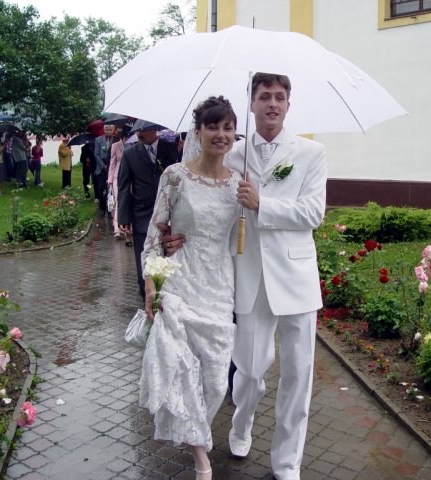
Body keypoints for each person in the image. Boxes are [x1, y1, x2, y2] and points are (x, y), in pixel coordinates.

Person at [163, 73, 327, 480]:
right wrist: (176, 236)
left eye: (280, 97)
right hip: (247, 276)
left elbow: (313, 213)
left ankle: (287, 462)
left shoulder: (311, 153)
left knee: (298, 376)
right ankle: (241, 423)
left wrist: (262, 204)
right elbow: (204, 202)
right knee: (250, 372)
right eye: (264, 96)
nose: (272, 104)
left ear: (288, 105)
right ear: (251, 104)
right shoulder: (232, 153)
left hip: (296, 279)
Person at [139, 96, 241, 480]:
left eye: (228, 127)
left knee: (215, 378)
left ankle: (195, 431)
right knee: (181, 367)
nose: (221, 134)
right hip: (180, 278)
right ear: (197, 132)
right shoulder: (175, 176)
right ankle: (202, 458)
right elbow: (155, 236)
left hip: (219, 286)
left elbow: (244, 241)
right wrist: (151, 287)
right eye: (213, 127)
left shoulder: (239, 184)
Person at [117, 121, 179, 299]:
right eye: (137, 130)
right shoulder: (129, 154)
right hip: (141, 214)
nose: (139, 134)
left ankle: (165, 295)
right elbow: (123, 186)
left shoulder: (170, 149)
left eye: (143, 130)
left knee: (166, 259)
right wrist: (123, 218)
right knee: (145, 262)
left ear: (154, 130)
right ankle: (146, 296)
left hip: (168, 214)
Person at [107, 127, 130, 242]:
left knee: (126, 200)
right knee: (118, 200)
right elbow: (112, 162)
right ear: (122, 137)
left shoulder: (132, 145)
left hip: (129, 177)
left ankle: (126, 227)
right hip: (117, 176)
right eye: (125, 137)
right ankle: (117, 228)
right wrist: (110, 179)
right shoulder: (115, 146)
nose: (127, 140)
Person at [94, 124, 114, 212]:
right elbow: (96, 154)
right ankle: (102, 208)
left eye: (110, 130)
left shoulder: (115, 140)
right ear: (104, 130)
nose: (108, 131)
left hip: (111, 167)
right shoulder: (98, 140)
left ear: (112, 130)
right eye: (107, 130)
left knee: (111, 189)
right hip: (101, 168)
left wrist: (109, 166)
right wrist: (103, 166)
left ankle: (110, 209)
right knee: (101, 188)